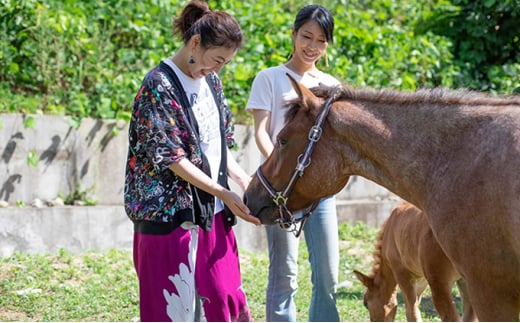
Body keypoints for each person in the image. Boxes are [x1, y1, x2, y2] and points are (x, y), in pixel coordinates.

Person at [123, 1, 261, 321]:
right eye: (216, 60)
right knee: (173, 310)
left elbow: (217, 147)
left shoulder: (211, 82)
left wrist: (242, 180)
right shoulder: (159, 85)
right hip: (169, 216)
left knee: (224, 299)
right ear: (195, 43)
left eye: (224, 63)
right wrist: (220, 191)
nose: (217, 69)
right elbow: (171, 157)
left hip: (211, 210)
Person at [246, 4, 341, 322]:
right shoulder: (268, 78)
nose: (312, 46)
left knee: (328, 277)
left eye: (320, 40)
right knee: (284, 275)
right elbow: (261, 130)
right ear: (293, 34)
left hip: (320, 193)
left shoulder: (331, 85)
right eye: (306, 36)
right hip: (280, 190)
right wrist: (282, 167)